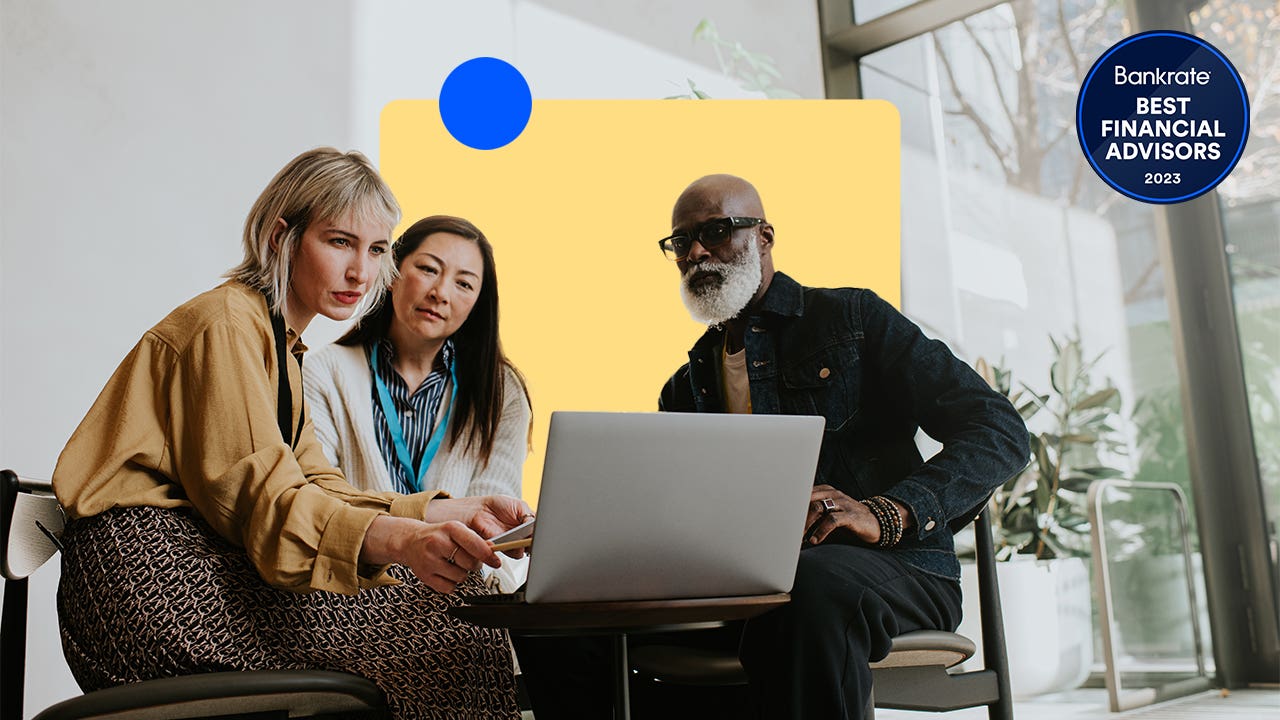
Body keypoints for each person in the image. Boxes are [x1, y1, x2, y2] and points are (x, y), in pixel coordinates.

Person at [515, 174, 1029, 719]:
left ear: (764, 235)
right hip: (741, 595)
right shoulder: (683, 387)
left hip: (890, 571)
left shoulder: (852, 320)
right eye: (680, 242)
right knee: (552, 618)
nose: (694, 252)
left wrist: (888, 512)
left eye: (715, 230)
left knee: (805, 592)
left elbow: (998, 429)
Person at [51, 148, 530, 720]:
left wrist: (440, 511)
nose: (361, 272)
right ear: (282, 237)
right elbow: (267, 502)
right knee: (450, 620)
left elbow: (315, 483)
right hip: (150, 584)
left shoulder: (277, 342)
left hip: (195, 567)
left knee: (458, 603)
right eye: (339, 242)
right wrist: (400, 541)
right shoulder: (227, 325)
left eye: (377, 250)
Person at [303, 214, 532, 592]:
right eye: (428, 269)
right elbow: (322, 503)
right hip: (353, 590)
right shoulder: (323, 373)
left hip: (460, 594)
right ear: (391, 271)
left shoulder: (502, 392)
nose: (440, 292)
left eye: (463, 284)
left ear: (477, 302)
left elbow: (500, 538)